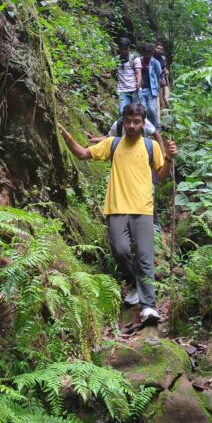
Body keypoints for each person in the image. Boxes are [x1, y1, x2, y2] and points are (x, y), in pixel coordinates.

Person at [59, 103, 177, 325]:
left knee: (144, 256)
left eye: (137, 122)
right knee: (120, 251)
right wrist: (67, 139)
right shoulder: (112, 144)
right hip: (116, 207)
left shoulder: (151, 147)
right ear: (122, 121)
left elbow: (161, 178)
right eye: (128, 121)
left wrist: (168, 158)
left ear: (143, 124)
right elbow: (84, 154)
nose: (132, 126)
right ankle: (137, 284)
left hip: (143, 209)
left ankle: (148, 306)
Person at [114, 37, 141, 115]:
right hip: (122, 91)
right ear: (118, 48)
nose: (124, 51)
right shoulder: (116, 60)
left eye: (125, 49)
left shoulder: (134, 58)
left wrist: (138, 82)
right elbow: (110, 74)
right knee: (122, 112)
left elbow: (138, 72)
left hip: (134, 90)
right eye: (122, 49)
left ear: (129, 48)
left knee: (137, 112)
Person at [138, 43, 162, 129]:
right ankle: (145, 131)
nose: (147, 56)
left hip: (151, 90)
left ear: (152, 53)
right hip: (140, 90)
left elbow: (159, 76)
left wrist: (158, 87)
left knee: (152, 109)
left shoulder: (155, 63)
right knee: (143, 111)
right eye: (145, 53)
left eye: (149, 53)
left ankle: (156, 129)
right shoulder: (138, 61)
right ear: (143, 53)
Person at [154, 43, 170, 111]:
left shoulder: (163, 58)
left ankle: (170, 116)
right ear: (154, 48)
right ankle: (159, 120)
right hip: (155, 83)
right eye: (158, 48)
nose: (159, 50)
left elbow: (166, 69)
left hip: (164, 82)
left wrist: (167, 72)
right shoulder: (151, 58)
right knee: (158, 102)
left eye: (161, 49)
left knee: (166, 99)